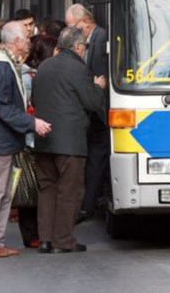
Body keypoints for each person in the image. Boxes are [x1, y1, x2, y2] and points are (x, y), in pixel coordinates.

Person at [0, 21, 51, 258]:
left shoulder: (3, 64)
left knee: (3, 194)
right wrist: (31, 123)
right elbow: (2, 107)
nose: (29, 41)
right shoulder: (0, 67)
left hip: (2, 140)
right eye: (26, 37)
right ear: (16, 41)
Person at [32, 27, 106, 253]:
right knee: (70, 191)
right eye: (84, 47)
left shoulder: (44, 67)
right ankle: (63, 241)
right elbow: (92, 103)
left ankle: (45, 239)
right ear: (77, 47)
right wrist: (97, 87)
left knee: (47, 190)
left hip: (44, 140)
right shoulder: (79, 69)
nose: (85, 51)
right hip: (70, 143)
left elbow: (34, 98)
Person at [64, 4, 109, 223]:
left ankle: (88, 204)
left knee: (96, 156)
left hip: (100, 111)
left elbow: (101, 74)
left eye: (73, 26)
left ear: (86, 22)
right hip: (94, 110)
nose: (71, 32)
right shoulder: (89, 39)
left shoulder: (100, 39)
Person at [17, 34, 57, 248]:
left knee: (34, 185)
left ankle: (35, 232)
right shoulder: (28, 76)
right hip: (31, 136)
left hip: (33, 135)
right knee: (31, 185)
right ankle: (32, 233)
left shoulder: (29, 73)